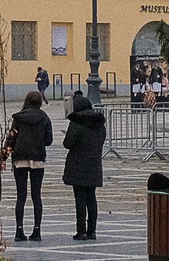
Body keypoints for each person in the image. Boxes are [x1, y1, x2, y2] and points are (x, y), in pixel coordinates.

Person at [8, 89, 54, 243]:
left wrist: (3, 157)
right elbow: (49, 140)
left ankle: (19, 231)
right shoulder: (45, 118)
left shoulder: (18, 118)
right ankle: (37, 231)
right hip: (38, 159)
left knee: (21, 196)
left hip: (20, 159)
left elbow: (11, 139)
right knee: (36, 196)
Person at [61, 88, 106, 241]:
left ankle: (81, 231)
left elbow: (67, 144)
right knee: (91, 198)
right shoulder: (99, 124)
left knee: (80, 199)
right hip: (94, 165)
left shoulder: (76, 124)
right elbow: (100, 141)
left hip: (77, 166)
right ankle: (92, 231)